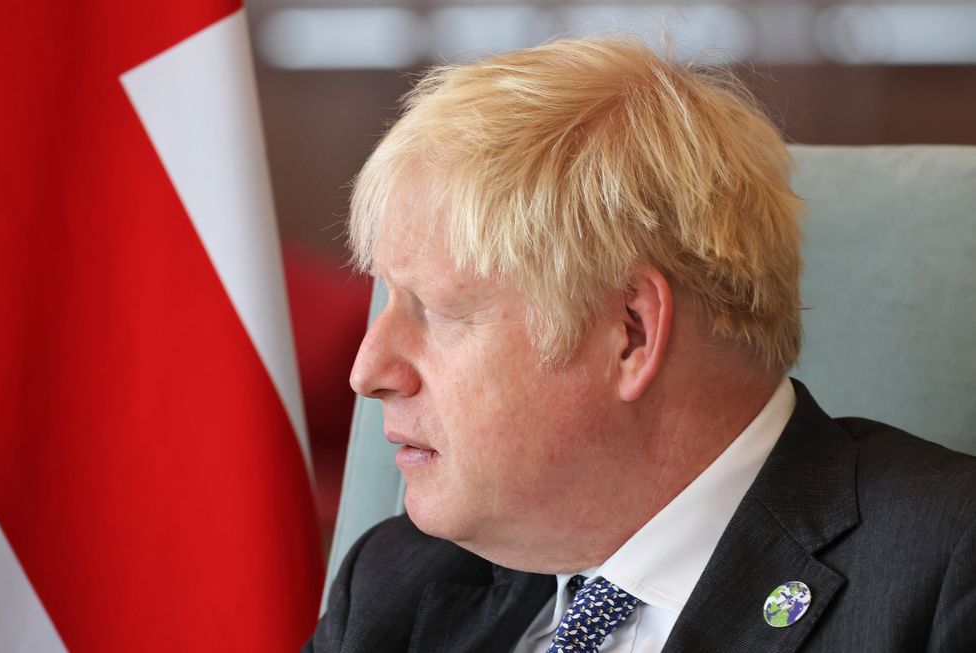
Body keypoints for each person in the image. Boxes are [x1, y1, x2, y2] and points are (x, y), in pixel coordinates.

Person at [302, 37, 976, 652]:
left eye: (438, 310)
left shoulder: (945, 570)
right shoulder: (397, 582)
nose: (369, 371)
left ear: (632, 331)